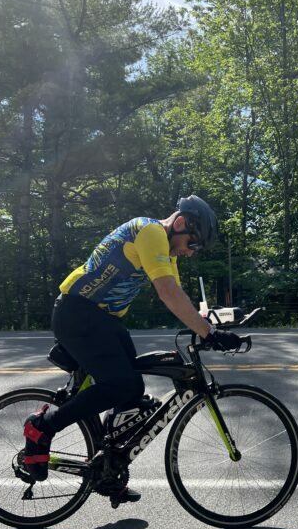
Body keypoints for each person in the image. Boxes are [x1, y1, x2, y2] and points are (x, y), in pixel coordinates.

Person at [22, 195, 241, 502]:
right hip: (79, 313)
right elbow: (166, 292)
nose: (191, 253)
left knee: (133, 387)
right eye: (192, 244)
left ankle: (109, 470)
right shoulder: (150, 232)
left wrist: (209, 321)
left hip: (101, 320)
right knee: (120, 384)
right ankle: (42, 427)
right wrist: (207, 333)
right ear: (180, 224)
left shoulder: (166, 250)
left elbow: (176, 294)